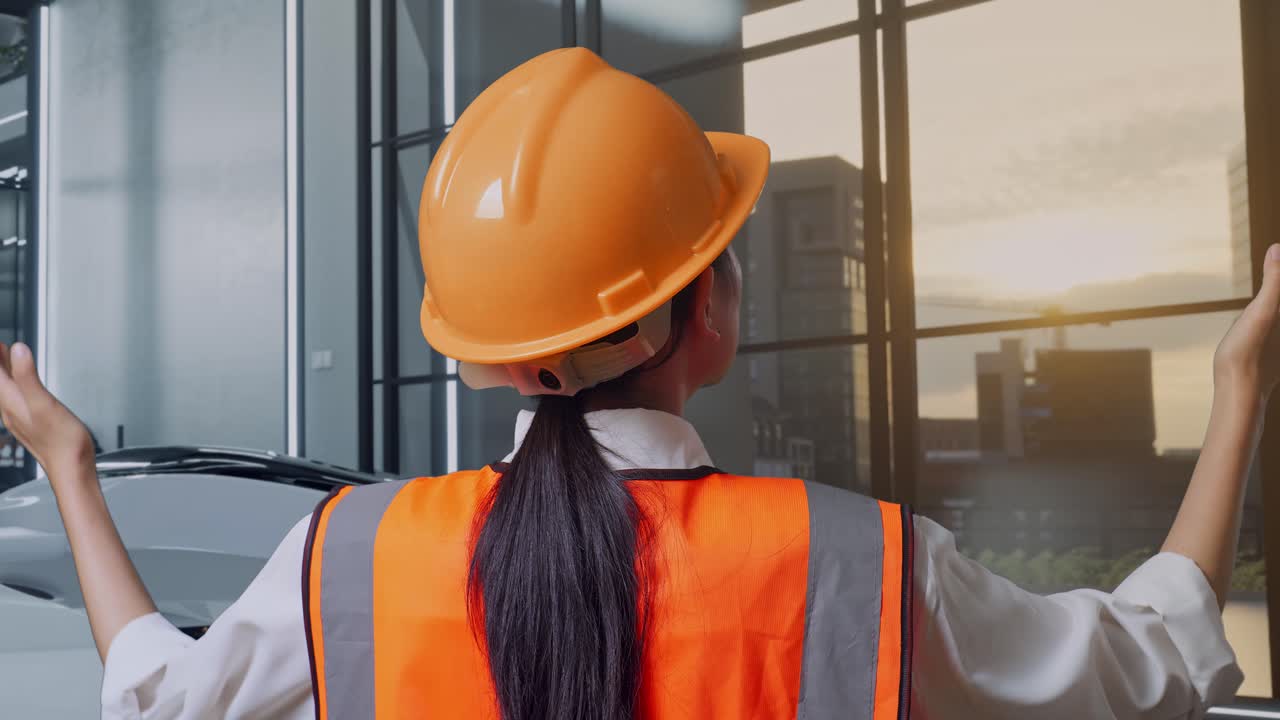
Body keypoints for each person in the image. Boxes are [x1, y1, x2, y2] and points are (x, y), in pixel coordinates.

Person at [0, 47, 1275, 720]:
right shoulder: (863, 566)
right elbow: (1151, 667)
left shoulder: (347, 558)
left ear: (490, 351)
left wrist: (70, 465)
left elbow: (157, 698)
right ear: (707, 311)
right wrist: (1235, 391)